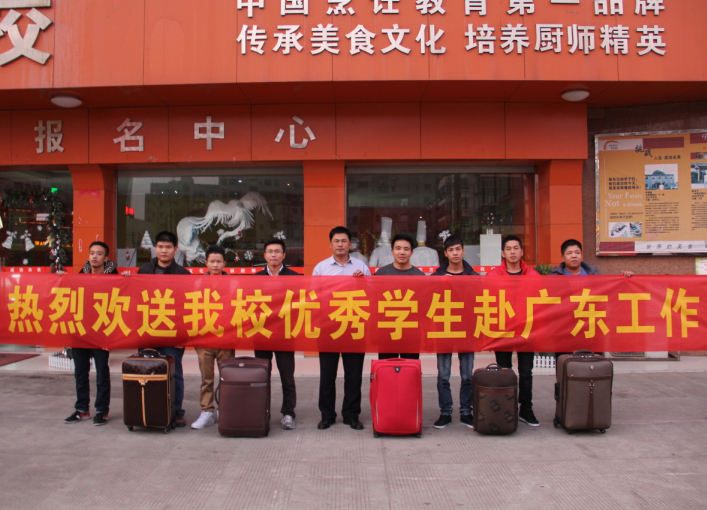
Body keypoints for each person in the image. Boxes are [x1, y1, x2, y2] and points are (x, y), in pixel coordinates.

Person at [312, 226, 370, 430]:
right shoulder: (321, 268)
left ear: (350, 244)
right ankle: (327, 415)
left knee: (353, 375)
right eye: (336, 241)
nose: (340, 244)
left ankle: (351, 415)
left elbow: (371, 295)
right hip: (328, 326)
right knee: (327, 375)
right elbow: (313, 297)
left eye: (344, 241)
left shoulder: (361, 266)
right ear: (330, 244)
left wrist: (363, 282)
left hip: (354, 325)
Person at [137, 231, 191, 427]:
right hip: (148, 330)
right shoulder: (144, 270)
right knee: (147, 371)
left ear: (175, 250)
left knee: (174, 373)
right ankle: (149, 409)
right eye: (160, 247)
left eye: (168, 247)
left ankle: (176, 411)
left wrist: (183, 335)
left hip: (172, 333)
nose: (164, 251)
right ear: (155, 248)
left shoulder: (183, 274)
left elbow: (187, 306)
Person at [62, 241, 118, 426]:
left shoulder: (114, 278)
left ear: (106, 258)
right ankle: (82, 409)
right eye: (92, 253)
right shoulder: (79, 277)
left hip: (101, 331)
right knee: (80, 373)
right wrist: (61, 278)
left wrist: (125, 278)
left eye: (99, 253)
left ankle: (102, 411)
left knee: (102, 373)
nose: (95, 256)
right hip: (81, 331)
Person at [487, 235, 540, 427]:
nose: (512, 252)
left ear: (522, 251)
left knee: (526, 372)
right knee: (504, 371)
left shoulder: (533, 276)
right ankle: (505, 407)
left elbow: (541, 302)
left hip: (527, 329)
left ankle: (526, 408)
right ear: (503, 253)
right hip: (504, 329)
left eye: (516, 248)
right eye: (508, 249)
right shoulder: (493, 276)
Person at [550, 239, 633, 361]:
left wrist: (625, 280)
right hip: (564, 332)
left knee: (592, 366)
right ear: (563, 257)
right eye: (569, 253)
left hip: (591, 330)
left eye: (577, 252)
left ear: (581, 255)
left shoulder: (594, 275)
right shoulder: (553, 278)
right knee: (566, 366)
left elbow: (610, 293)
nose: (574, 256)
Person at [431, 235, 479, 429]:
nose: (455, 253)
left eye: (458, 249)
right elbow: (427, 301)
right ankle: (445, 412)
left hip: (467, 330)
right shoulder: (436, 277)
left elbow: (480, 302)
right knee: (443, 375)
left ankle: (466, 412)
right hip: (444, 329)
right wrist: (441, 284)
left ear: (463, 251)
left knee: (467, 375)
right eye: (451, 250)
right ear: (445, 253)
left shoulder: (474, 277)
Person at [253, 238, 300, 430]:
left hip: (284, 334)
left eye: (277, 251)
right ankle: (261, 411)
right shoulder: (255, 278)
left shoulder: (294, 277)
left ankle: (288, 413)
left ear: (284, 255)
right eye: (270, 251)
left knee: (287, 376)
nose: (274, 255)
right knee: (261, 375)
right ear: (265, 255)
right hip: (261, 333)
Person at [191, 245, 235, 430]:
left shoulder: (233, 283)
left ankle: (226, 410)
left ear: (224, 263)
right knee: (206, 379)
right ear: (206, 263)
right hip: (204, 338)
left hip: (226, 337)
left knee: (227, 377)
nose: (215, 265)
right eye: (212, 261)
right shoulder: (197, 283)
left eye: (219, 261)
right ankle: (207, 411)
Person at [375, 233, 424, 359]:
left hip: (411, 331)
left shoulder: (419, 276)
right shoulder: (382, 273)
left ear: (411, 253)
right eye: (398, 248)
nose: (402, 252)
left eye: (406, 249)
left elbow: (423, 305)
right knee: (387, 367)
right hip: (387, 330)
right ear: (392, 251)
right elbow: (374, 301)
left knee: (410, 367)